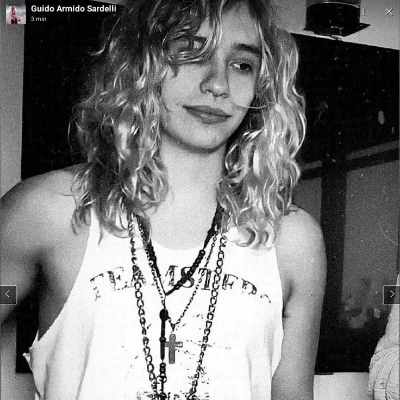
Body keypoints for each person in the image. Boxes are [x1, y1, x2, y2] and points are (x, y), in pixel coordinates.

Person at [1, 0, 327, 399]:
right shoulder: (51, 210)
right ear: (142, 61)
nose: (218, 84)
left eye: (242, 64)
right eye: (190, 51)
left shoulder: (293, 242)